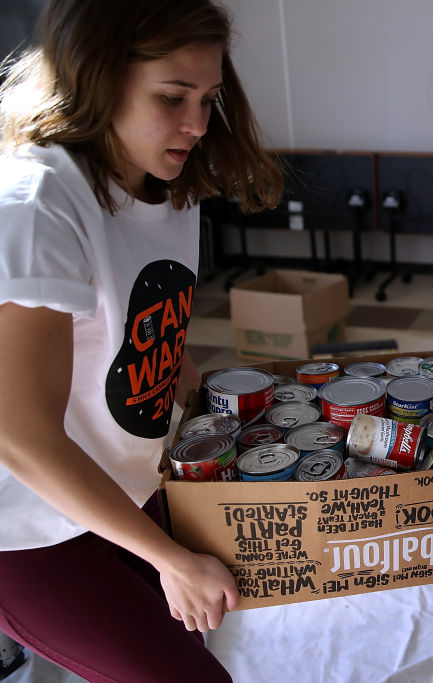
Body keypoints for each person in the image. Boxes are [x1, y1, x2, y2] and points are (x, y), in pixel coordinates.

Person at [0, 1, 281, 680]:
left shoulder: (166, 183)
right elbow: (18, 435)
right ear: (95, 77)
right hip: (31, 533)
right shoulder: (39, 204)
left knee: (199, 643)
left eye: (209, 98)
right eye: (172, 96)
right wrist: (170, 557)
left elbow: (141, 339)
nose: (196, 124)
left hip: (127, 490)